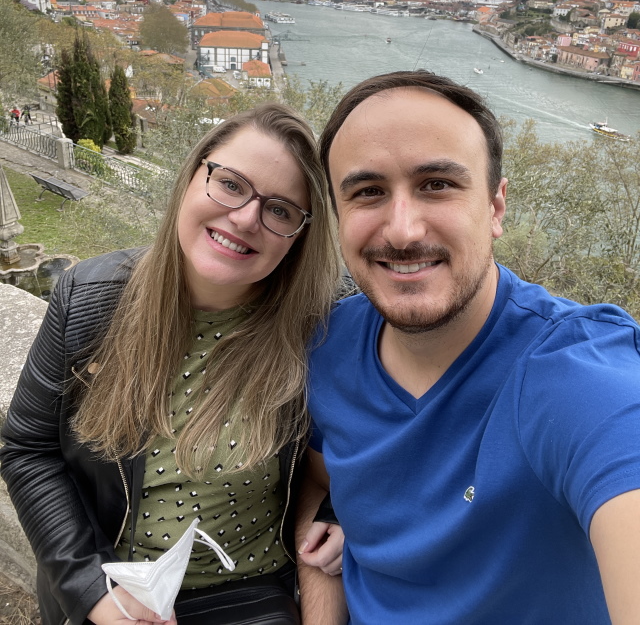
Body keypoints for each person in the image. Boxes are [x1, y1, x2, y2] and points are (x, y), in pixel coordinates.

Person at [297, 71, 640, 625]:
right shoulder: (328, 349)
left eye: (437, 184)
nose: (403, 230)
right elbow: (318, 484)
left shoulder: (575, 372)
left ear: (496, 206)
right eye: (367, 193)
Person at [1, 102, 344, 625]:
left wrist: (339, 520)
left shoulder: (322, 327)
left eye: (279, 210)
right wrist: (91, 590)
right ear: (191, 177)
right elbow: (28, 448)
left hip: (250, 595)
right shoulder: (90, 300)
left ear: (300, 236)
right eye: (230, 184)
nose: (246, 217)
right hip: (110, 588)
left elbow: (368, 447)